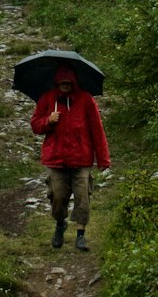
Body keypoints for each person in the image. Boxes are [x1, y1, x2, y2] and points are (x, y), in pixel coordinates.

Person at [30, 64, 110, 252]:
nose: (65, 85)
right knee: (57, 197)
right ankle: (60, 224)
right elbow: (35, 125)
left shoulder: (86, 100)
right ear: (57, 82)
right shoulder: (48, 98)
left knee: (83, 198)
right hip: (55, 159)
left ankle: (80, 236)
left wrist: (103, 159)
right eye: (61, 82)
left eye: (68, 82)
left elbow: (97, 130)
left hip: (81, 158)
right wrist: (48, 121)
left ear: (74, 82)